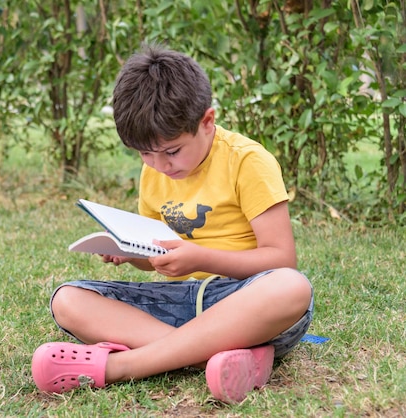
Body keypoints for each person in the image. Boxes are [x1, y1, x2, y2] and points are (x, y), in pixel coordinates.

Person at [31, 44, 314, 404]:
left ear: (207, 121)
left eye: (172, 151)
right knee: (69, 300)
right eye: (145, 153)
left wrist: (199, 258)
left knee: (291, 288)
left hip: (244, 301)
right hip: (180, 304)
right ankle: (219, 358)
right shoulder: (153, 173)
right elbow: (160, 254)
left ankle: (124, 366)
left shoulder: (247, 161)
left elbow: (281, 259)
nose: (160, 165)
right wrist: (130, 254)